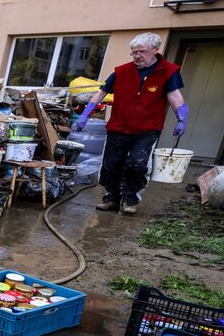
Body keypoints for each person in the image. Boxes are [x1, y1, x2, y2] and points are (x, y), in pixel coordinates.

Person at [71, 32, 189, 215]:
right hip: (118, 127)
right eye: (133, 52)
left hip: (147, 129)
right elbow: (101, 93)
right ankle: (111, 198)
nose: (136, 56)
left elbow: (175, 97)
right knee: (111, 165)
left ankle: (130, 200)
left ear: (155, 50)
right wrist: (85, 114)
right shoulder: (121, 71)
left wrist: (182, 119)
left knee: (137, 165)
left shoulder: (168, 71)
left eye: (141, 52)